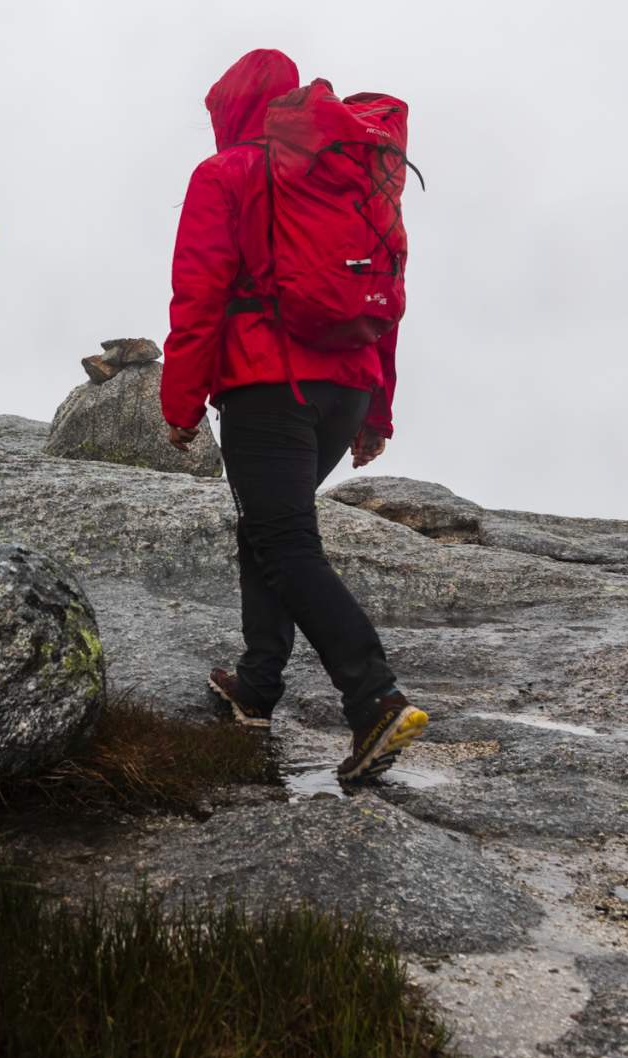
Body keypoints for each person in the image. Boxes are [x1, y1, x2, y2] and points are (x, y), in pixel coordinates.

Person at [159, 48, 428, 782]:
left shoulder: (225, 174)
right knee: (268, 531)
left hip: (270, 388)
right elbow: (386, 303)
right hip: (343, 390)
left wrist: (180, 401)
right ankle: (257, 686)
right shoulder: (344, 175)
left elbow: (199, 296)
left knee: (285, 543)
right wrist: (377, 408)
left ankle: (373, 699)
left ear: (232, 109)